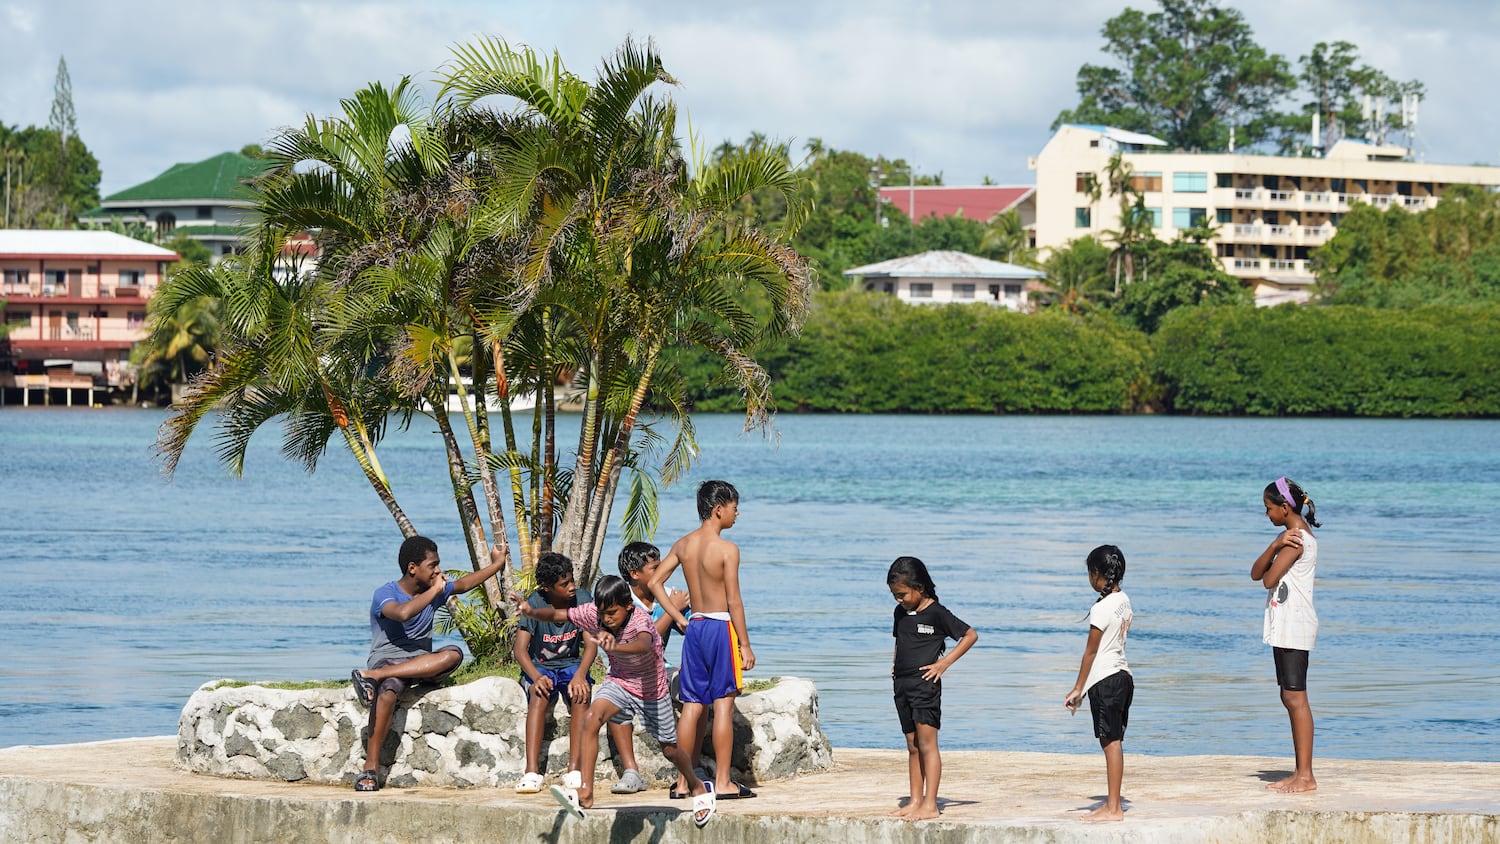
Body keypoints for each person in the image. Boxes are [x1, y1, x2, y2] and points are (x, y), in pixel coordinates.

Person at [514, 572, 716, 827]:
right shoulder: (594, 614)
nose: (606, 619)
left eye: (612, 613)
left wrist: (615, 647)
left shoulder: (640, 621)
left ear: (628, 606)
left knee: (670, 749)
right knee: (591, 718)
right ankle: (586, 792)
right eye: (602, 614)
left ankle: (697, 787)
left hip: (650, 689)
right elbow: (559, 615)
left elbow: (643, 644)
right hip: (619, 681)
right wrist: (530, 611)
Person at [349, 536, 505, 793]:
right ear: (413, 568)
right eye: (432, 565)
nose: (438, 571)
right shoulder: (385, 593)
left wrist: (496, 565)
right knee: (388, 690)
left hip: (420, 663)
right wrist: (434, 591)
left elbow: (465, 584)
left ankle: (373, 675)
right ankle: (371, 767)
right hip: (388, 657)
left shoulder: (434, 589)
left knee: (453, 654)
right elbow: (401, 613)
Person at [647, 480, 758, 800]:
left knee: (693, 706)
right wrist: (745, 644)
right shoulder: (727, 550)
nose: (738, 514)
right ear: (718, 509)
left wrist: (679, 617)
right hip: (721, 627)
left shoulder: (684, 544)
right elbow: (734, 601)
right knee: (723, 704)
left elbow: (655, 582)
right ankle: (723, 783)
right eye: (735, 508)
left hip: (695, 628)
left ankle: (683, 783)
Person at [886, 556, 978, 822]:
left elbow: (970, 634)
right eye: (894, 595)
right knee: (912, 746)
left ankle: (930, 804)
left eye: (902, 594)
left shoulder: (937, 613)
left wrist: (943, 664)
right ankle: (915, 800)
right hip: (901, 684)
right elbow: (899, 641)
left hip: (925, 686)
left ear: (920, 587)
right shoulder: (900, 613)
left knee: (927, 745)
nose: (898, 600)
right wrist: (894, 664)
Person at [1251, 475, 1322, 794]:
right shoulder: (1288, 539)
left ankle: (1305, 776)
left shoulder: (1297, 540)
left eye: (1268, 509)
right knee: (1289, 696)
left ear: (1283, 508)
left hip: (1296, 625)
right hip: (1286, 626)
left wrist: (1278, 545)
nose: (1266, 515)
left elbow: (1267, 581)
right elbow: (1255, 574)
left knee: (1296, 697)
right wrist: (1274, 544)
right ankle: (1300, 772)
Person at [606, 541, 690, 797]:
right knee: (616, 702)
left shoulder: (662, 598)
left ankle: (687, 772)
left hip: (660, 670)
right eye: (655, 568)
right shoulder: (623, 602)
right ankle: (631, 772)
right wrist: (672, 609)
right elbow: (644, 640)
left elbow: (687, 628)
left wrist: (688, 609)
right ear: (635, 574)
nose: (663, 570)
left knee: (693, 689)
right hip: (627, 671)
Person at [512, 552, 599, 795]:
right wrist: (536, 677)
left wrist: (581, 674)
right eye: (564, 584)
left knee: (580, 695)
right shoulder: (536, 603)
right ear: (547, 588)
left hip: (571, 663)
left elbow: (591, 644)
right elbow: (520, 650)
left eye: (571, 581)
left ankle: (574, 769)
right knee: (539, 696)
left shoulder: (582, 599)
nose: (571, 588)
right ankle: (531, 771)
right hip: (541, 667)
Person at [1063, 544, 1134, 822]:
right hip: (1123, 678)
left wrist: (1078, 688)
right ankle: (1113, 804)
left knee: (1111, 743)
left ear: (1096, 574)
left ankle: (1113, 808)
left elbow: (1090, 652)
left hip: (1105, 680)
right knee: (1114, 741)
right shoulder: (1124, 600)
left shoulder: (1102, 608)